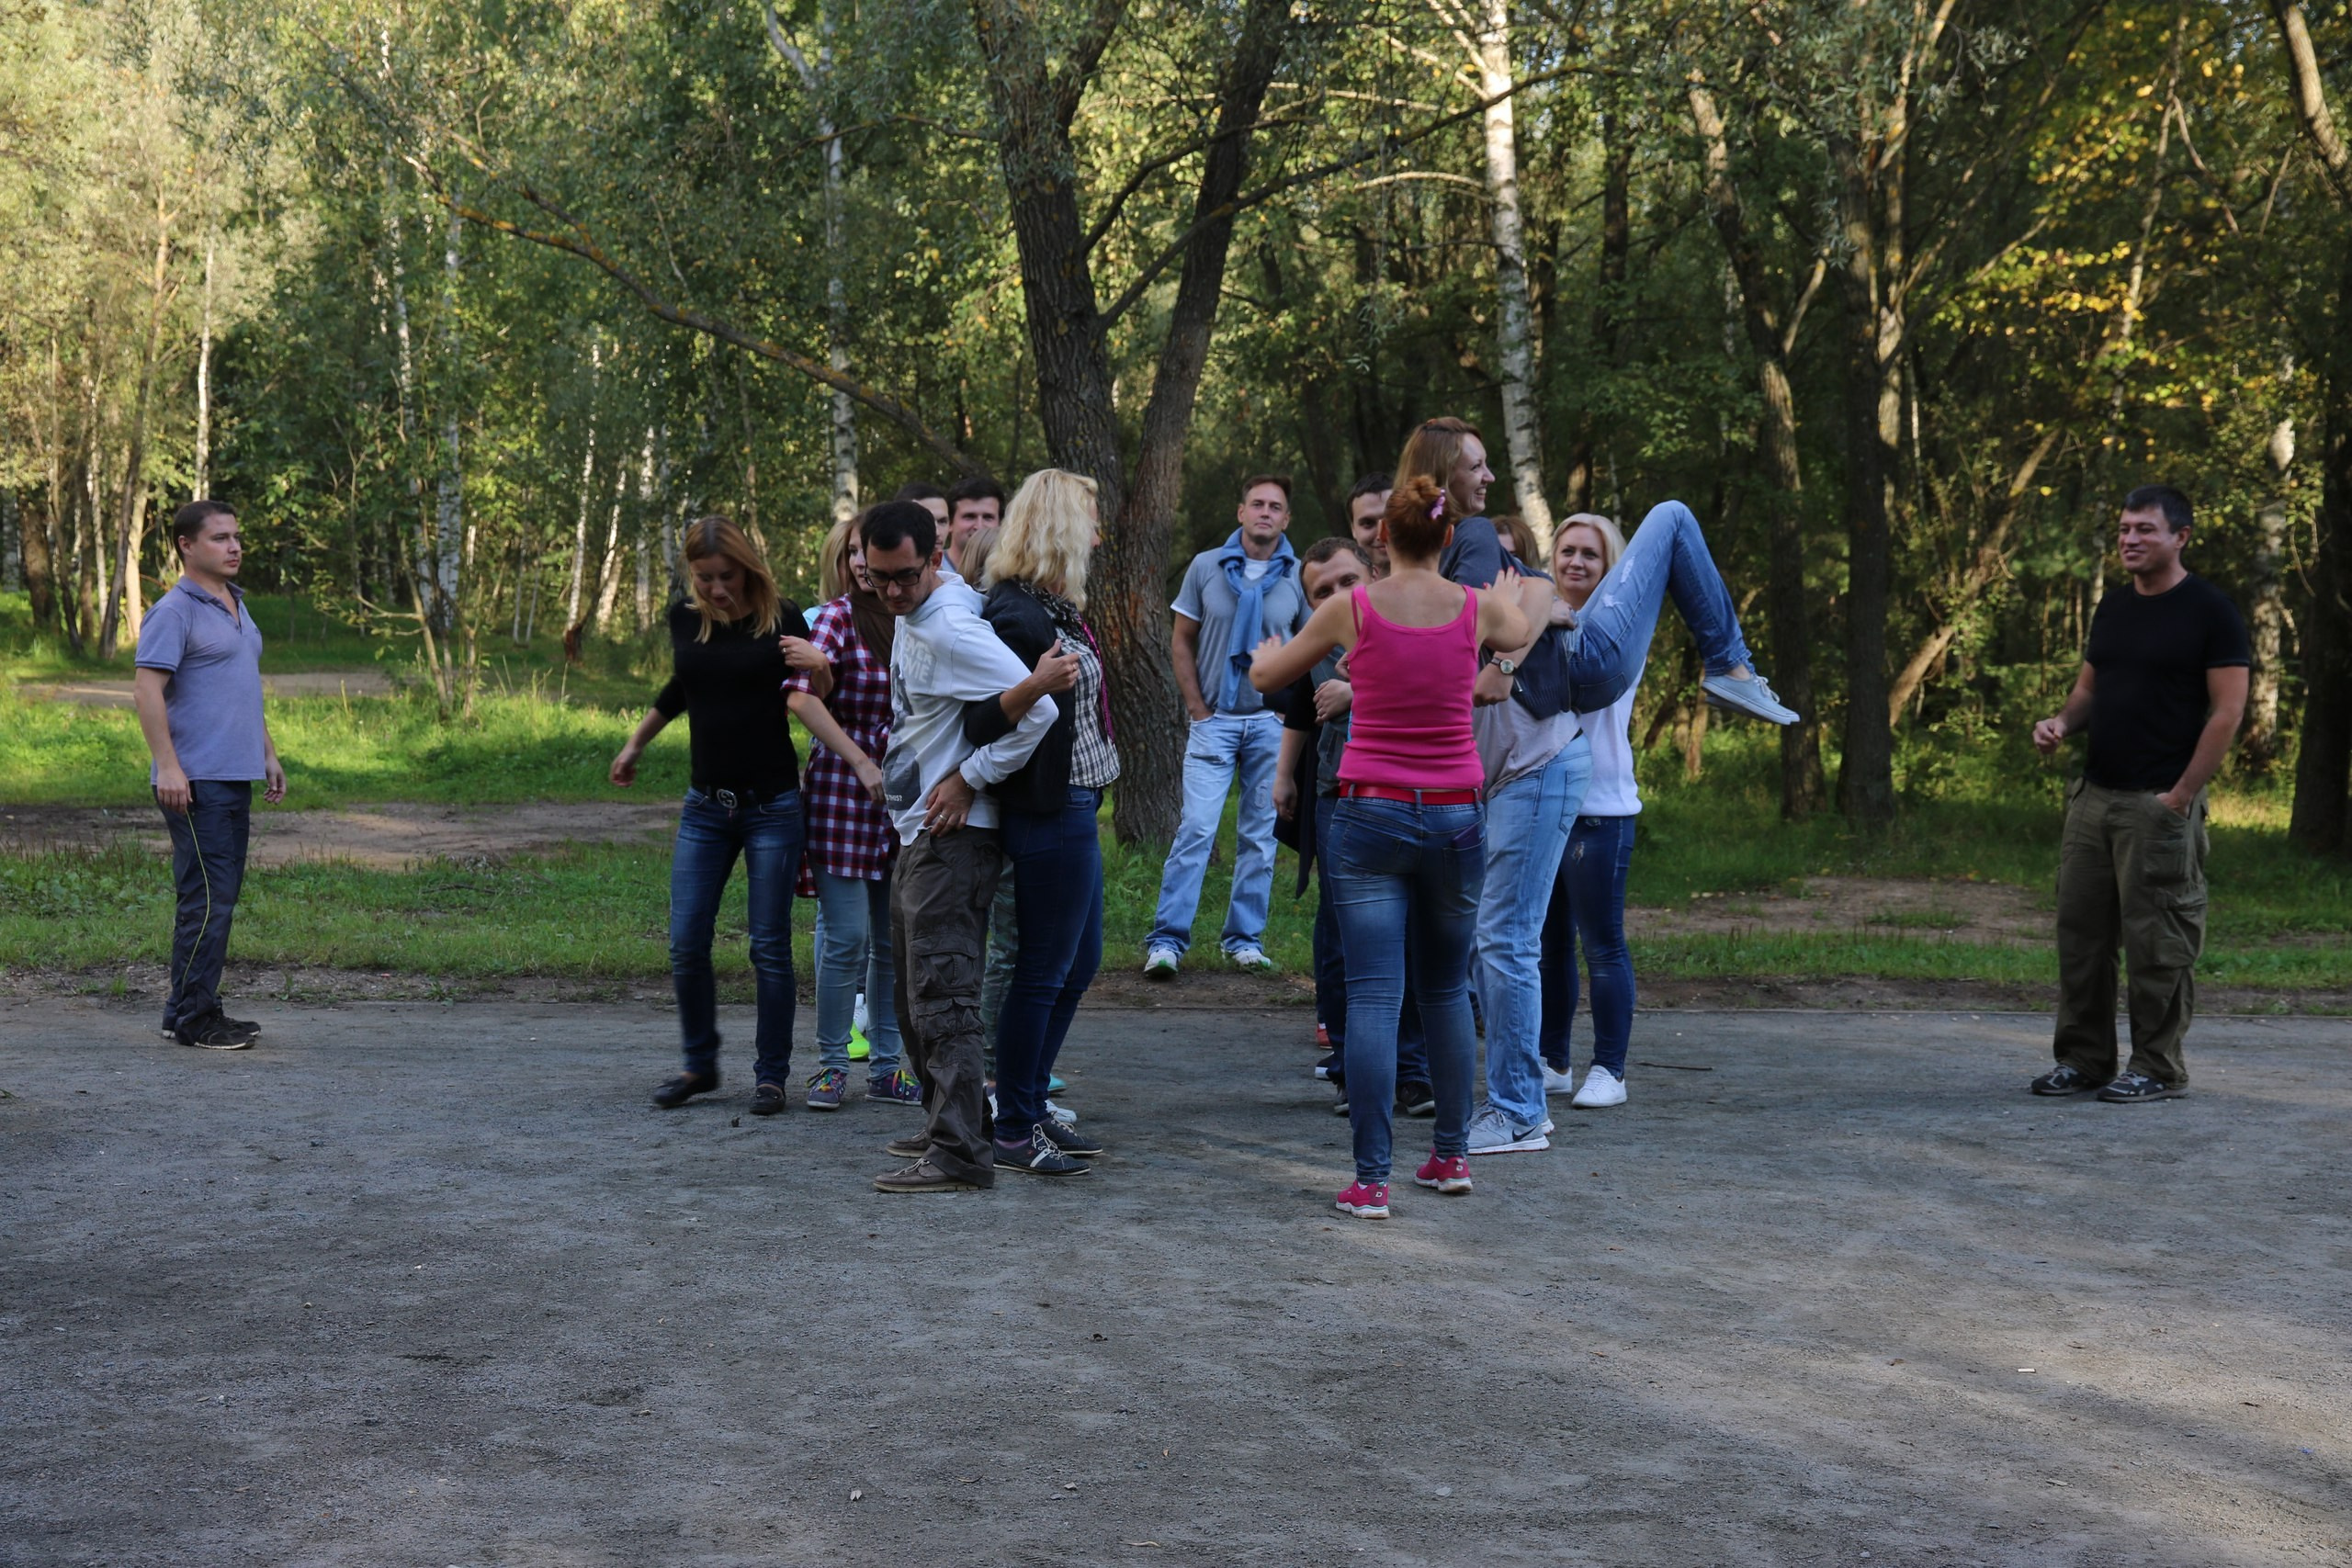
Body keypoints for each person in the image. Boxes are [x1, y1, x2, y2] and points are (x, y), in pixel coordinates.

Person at [1250, 475, 1532, 1220]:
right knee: (1445, 989)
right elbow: (1524, 626)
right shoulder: (1475, 609)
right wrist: (1500, 665)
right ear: (1445, 539)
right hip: (1456, 818)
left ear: (1381, 539)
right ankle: (1451, 1155)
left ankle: (1371, 1179)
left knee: (1375, 994)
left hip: (1370, 816)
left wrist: (1265, 652)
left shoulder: (1351, 607)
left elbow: (1269, 679)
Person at [860, 500, 1080, 1191]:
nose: (892, 591)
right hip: (917, 832)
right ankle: (945, 1122)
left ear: (934, 560)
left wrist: (967, 778)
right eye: (877, 578)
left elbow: (1038, 707)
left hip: (954, 838)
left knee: (943, 993)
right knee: (911, 992)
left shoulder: (952, 624)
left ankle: (960, 1151)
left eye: (903, 576)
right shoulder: (924, 609)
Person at [2030, 485, 2248, 1103]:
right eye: (2125, 528)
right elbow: (2090, 690)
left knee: (2158, 943)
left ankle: (2157, 1065)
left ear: (2181, 536)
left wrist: (2180, 795)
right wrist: (2061, 724)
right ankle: (2084, 1058)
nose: (2129, 538)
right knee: (2081, 938)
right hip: (2094, 798)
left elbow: (2227, 713)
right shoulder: (2113, 606)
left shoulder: (2210, 610)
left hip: (2159, 803)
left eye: (2144, 529)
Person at [1393, 416, 1800, 724]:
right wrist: (1536, 609)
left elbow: (1443, 623)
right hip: (1582, 659)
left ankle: (1732, 669)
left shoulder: (1418, 553)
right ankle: (1731, 666)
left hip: (1561, 676)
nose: (1489, 477)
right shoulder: (1475, 532)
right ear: (1445, 478)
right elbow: (1471, 621)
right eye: (1476, 467)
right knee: (1672, 517)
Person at [612, 518, 812, 1113]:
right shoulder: (686, 618)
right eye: (705, 578)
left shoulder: (783, 618)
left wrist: (821, 662)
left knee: (769, 946)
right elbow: (682, 688)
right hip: (705, 806)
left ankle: (771, 1075)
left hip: (772, 806)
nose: (717, 588)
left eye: (726, 576)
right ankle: (699, 1065)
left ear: (747, 569)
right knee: (685, 940)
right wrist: (635, 743)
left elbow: (815, 691)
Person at [963, 469, 1121, 1164]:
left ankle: (1023, 1102)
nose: (1097, 532)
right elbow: (979, 721)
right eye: (1089, 517)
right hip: (1048, 810)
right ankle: (1013, 1123)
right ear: (1059, 527)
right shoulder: (1016, 615)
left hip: (1076, 802)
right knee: (1043, 967)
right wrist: (1033, 685)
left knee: (1076, 962)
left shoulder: (1053, 608)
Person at [1274, 536, 1434, 1120]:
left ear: (1374, 572)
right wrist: (1283, 775)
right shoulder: (1320, 637)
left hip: (1409, 795)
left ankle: (1412, 1073)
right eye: (1322, 591)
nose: (1338, 596)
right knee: (1342, 942)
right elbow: (1293, 700)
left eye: (1347, 581)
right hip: (1336, 796)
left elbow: (1439, 687)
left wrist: (1356, 690)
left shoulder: (1419, 620)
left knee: (1412, 939)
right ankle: (1351, 1069)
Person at [132, 501, 288, 1051]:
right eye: (220, 538)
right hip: (195, 780)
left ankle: (187, 1008)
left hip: (233, 773)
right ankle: (197, 1020)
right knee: (210, 900)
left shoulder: (234, 605)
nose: (234, 546)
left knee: (212, 896)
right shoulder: (175, 611)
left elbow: (242, 688)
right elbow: (147, 689)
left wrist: (266, 751)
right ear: (186, 545)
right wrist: (170, 766)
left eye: (236, 537)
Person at [1143, 474, 1310, 976]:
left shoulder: (1299, 576)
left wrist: (1287, 710)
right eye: (1256, 503)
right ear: (1240, 512)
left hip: (1269, 724)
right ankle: (1167, 942)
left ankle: (1243, 940)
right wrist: (1197, 708)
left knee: (1259, 837)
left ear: (1285, 519)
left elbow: (1311, 646)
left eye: (1274, 506)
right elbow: (1181, 641)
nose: (1264, 512)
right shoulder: (1205, 567)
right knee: (1195, 829)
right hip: (1214, 721)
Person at [781, 515, 921, 1112]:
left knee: (893, 941)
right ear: (850, 557)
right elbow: (801, 699)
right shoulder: (836, 618)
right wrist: (862, 761)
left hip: (906, 797)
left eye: (874, 555)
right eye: (858, 553)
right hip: (844, 790)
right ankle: (833, 1065)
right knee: (847, 938)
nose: (865, 565)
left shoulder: (913, 620)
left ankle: (888, 1068)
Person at [1539, 514, 1640, 1110]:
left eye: (1590, 555)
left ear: (1610, 566)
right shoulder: (1535, 610)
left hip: (1601, 808)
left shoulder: (1615, 630)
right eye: (1567, 550)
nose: (1575, 562)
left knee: (1602, 944)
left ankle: (1611, 1069)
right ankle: (1554, 1060)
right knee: (1549, 943)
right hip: (1541, 803)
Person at [944, 474, 1006, 579]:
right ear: (950, 523)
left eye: (988, 517)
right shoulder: (931, 572)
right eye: (969, 517)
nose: (979, 526)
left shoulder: (1008, 574)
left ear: (1000, 523)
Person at [1346, 472, 1394, 575]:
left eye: (1391, 520)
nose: (1381, 534)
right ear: (1353, 529)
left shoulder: (1436, 584)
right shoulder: (1341, 588)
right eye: (1368, 523)